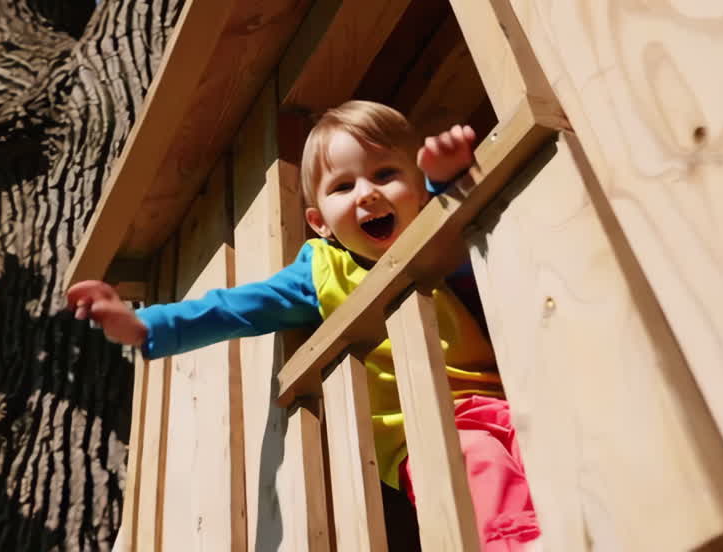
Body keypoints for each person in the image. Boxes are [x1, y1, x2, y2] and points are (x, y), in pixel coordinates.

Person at [67, 100, 539, 550]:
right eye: (343, 187)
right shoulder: (321, 270)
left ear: (415, 189)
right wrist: (144, 325)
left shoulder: (433, 233)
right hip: (432, 425)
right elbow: (236, 307)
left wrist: (447, 183)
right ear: (320, 223)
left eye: (386, 174)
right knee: (484, 478)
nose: (367, 193)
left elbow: (466, 237)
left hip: (510, 396)